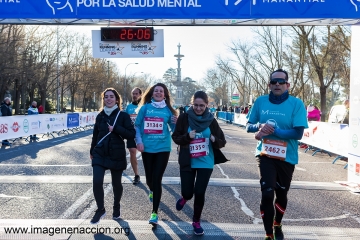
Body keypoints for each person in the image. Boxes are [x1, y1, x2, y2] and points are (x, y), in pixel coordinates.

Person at [246, 69, 308, 240]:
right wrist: (259, 127)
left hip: (287, 157)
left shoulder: (296, 104)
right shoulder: (260, 102)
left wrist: (275, 131)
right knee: (267, 193)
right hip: (265, 154)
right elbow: (248, 126)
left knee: (281, 195)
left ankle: (277, 223)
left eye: (281, 82)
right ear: (269, 85)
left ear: (287, 84)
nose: (278, 85)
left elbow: (298, 134)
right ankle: (268, 235)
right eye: (274, 82)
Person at [172, 91, 228, 236]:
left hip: (205, 162)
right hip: (188, 161)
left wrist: (215, 140)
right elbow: (176, 137)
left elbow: (222, 141)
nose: (198, 108)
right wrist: (187, 137)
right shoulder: (184, 118)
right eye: (195, 105)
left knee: (200, 192)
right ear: (192, 104)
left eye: (201, 105)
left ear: (207, 105)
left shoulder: (211, 120)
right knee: (188, 192)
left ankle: (196, 221)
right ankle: (184, 197)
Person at [89, 87, 135, 224]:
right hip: (100, 153)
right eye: (106, 97)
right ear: (103, 99)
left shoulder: (123, 116)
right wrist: (92, 151)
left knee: (116, 184)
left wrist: (116, 129)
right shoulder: (100, 116)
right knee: (97, 181)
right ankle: (100, 209)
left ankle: (116, 205)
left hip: (116, 153)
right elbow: (95, 135)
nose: (108, 99)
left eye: (111, 96)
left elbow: (131, 134)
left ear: (116, 99)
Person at [134, 83, 178, 226]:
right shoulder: (145, 108)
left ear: (165, 95)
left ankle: (154, 213)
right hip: (147, 148)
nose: (159, 93)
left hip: (163, 148)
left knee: (157, 178)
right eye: (156, 91)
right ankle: (151, 189)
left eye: (161, 91)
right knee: (149, 180)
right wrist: (139, 141)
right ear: (152, 94)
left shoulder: (169, 111)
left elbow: (174, 130)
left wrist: (175, 123)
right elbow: (137, 126)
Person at [125, 87, 142, 184]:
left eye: (136, 94)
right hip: (132, 133)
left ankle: (152, 175)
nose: (134, 95)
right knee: (132, 152)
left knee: (147, 154)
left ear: (140, 95)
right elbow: (126, 120)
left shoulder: (144, 106)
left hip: (143, 134)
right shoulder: (128, 107)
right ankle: (136, 175)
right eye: (133, 94)